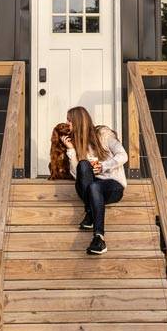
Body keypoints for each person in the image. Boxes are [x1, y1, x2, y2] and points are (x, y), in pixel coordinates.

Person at [61, 106, 127, 255]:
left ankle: (99, 238)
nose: (67, 124)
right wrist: (71, 150)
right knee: (84, 165)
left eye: (69, 120)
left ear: (78, 121)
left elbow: (123, 155)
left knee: (95, 187)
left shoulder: (103, 134)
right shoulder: (78, 143)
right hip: (91, 189)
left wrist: (103, 166)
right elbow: (77, 175)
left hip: (113, 185)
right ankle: (90, 212)